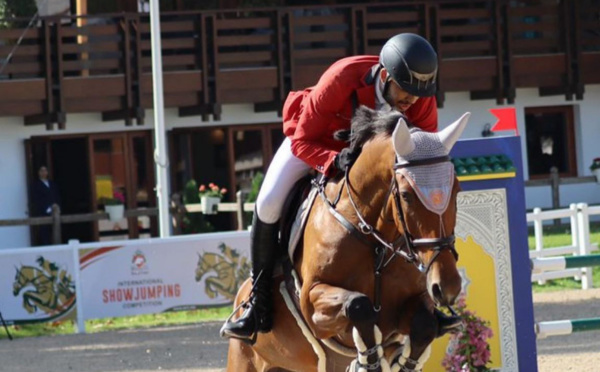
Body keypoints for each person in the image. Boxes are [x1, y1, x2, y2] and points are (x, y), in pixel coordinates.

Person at [221, 33, 440, 340]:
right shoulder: (342, 78)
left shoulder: (420, 96)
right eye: (406, 92)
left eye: (419, 95)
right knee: (269, 200)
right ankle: (257, 304)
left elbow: (424, 151)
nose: (412, 102)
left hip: (372, 163)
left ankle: (431, 298)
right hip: (316, 142)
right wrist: (334, 161)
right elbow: (301, 140)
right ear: (387, 75)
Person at [32, 165, 61, 245]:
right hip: (43, 212)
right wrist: (48, 208)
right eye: (41, 170)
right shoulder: (36, 185)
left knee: (55, 231)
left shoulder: (52, 184)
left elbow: (56, 196)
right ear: (38, 172)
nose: (44, 172)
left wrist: (56, 206)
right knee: (45, 233)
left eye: (45, 170)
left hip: (55, 212)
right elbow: (36, 199)